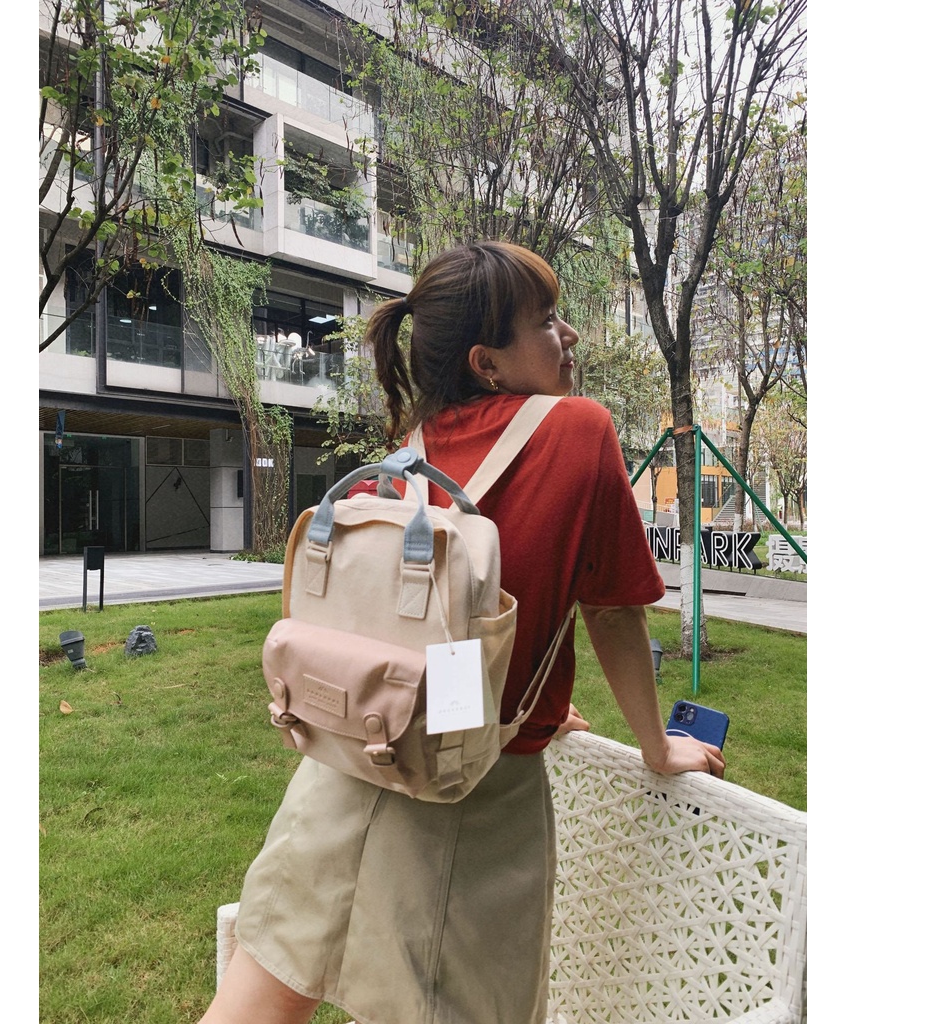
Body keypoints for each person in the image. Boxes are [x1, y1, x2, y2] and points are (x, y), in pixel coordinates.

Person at [200, 241, 725, 1024]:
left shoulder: (409, 454)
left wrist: (528, 694)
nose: (569, 335)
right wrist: (656, 746)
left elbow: (415, 630)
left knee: (264, 992)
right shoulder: (578, 431)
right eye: (546, 321)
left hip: (348, 765)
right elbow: (614, 611)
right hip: (470, 798)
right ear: (487, 362)